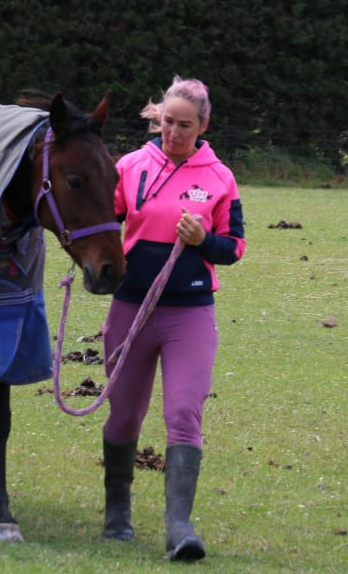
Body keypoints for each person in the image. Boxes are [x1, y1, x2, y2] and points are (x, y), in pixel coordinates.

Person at [100, 75, 246, 561]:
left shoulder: (220, 176)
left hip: (190, 316)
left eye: (185, 125)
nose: (174, 133)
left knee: (184, 414)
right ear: (157, 118)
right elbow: (102, 224)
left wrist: (204, 241)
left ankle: (178, 526)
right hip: (130, 311)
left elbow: (235, 248)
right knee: (124, 416)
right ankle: (117, 513)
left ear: (203, 125)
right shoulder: (129, 166)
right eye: (167, 122)